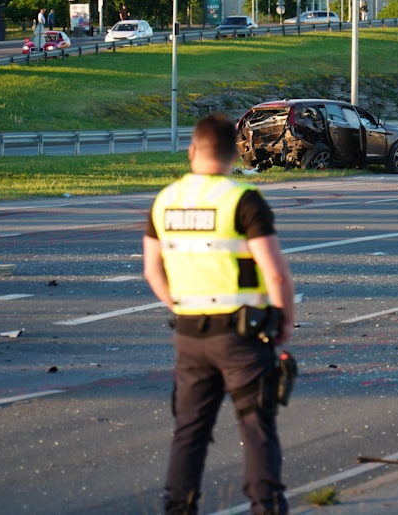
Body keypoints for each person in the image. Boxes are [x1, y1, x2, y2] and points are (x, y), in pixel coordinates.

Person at [143, 114, 296, 515]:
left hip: (190, 335)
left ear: (192, 151)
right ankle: (266, 506)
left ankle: (177, 508)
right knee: (256, 426)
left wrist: (177, 304)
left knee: (189, 432)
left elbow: (152, 269)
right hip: (241, 337)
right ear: (234, 154)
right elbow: (276, 271)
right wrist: (283, 323)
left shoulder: (166, 200)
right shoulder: (242, 199)